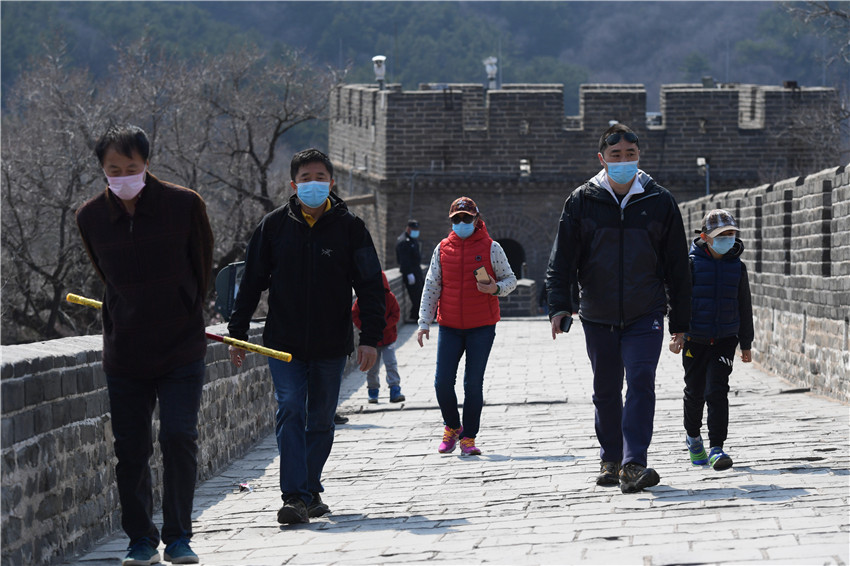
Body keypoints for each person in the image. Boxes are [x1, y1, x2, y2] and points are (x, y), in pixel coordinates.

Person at [76, 124, 213, 565]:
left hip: (181, 347)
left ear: (147, 164)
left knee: (179, 436)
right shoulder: (91, 217)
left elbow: (203, 265)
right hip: (126, 351)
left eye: (130, 167)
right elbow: (107, 276)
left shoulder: (184, 205)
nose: (122, 176)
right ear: (102, 170)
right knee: (130, 449)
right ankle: (140, 540)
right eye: (112, 169)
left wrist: (184, 310)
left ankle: (178, 536)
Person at [227, 148, 385, 525]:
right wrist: (237, 331)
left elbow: (371, 287)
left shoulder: (351, 228)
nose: (313, 184)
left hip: (332, 343)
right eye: (305, 177)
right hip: (283, 342)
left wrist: (371, 338)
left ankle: (310, 489)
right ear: (294, 183)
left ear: (331, 182)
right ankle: (295, 497)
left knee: (321, 420)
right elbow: (250, 283)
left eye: (320, 177)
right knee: (290, 409)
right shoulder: (273, 227)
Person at [545, 123, 691, 494]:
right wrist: (559, 305)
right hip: (597, 313)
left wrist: (681, 320)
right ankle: (610, 457)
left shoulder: (659, 201)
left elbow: (677, 266)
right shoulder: (582, 201)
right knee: (606, 389)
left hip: (646, 312)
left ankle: (633, 463)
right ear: (602, 159)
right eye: (616, 156)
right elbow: (562, 259)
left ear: (639, 155)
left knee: (641, 382)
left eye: (630, 154)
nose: (624, 161)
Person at [417, 197, 517, 456]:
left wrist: (495, 288)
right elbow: (431, 285)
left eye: (466, 218)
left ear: (476, 219)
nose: (462, 223)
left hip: (481, 326)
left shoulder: (491, 247)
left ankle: (469, 438)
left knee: (472, 384)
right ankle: (452, 427)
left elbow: (511, 279)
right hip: (449, 325)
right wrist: (423, 322)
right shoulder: (441, 249)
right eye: (456, 219)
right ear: (451, 221)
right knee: (442, 383)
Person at [669, 209, 754, 472]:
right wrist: (678, 333)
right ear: (705, 237)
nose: (728, 238)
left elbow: (744, 305)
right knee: (695, 392)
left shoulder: (737, 268)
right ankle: (693, 438)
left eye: (731, 234)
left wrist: (746, 343)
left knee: (717, 392)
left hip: (726, 338)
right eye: (721, 235)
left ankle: (717, 447)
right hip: (695, 339)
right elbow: (678, 300)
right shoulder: (691, 265)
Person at [353, 271, 406, 403]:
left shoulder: (390, 298)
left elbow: (396, 315)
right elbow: (355, 314)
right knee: (372, 367)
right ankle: (373, 391)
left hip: (388, 339)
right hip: (373, 341)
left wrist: (383, 325)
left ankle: (395, 389)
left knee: (391, 364)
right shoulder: (363, 299)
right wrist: (366, 327)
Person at [396, 219, 424, 321]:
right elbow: (404, 259)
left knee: (420, 294)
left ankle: (416, 315)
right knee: (415, 296)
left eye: (417, 229)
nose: (416, 231)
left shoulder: (412, 240)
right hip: (410, 272)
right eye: (413, 229)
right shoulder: (404, 241)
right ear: (408, 229)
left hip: (416, 271)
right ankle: (415, 316)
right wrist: (408, 273)